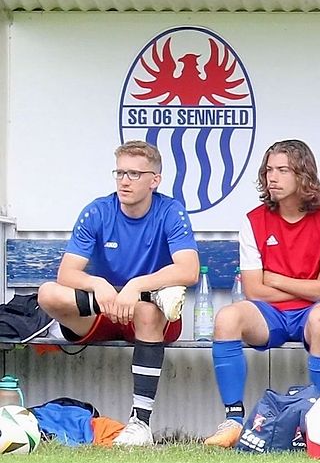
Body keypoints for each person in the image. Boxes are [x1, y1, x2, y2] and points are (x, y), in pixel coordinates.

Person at [37, 140, 199, 446]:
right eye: (120, 172)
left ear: (155, 180)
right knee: (48, 294)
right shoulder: (97, 211)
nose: (125, 180)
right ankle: (113, 303)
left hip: (152, 316)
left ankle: (140, 424)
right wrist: (100, 286)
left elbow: (189, 270)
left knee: (148, 308)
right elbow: (66, 274)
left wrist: (137, 287)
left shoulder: (171, 211)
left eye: (135, 174)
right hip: (105, 309)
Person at [203, 139, 320, 448]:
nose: (273, 177)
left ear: (303, 174)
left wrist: (278, 279)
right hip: (271, 314)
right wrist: (311, 286)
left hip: (314, 313)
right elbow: (254, 289)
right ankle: (233, 419)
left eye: (283, 170)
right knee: (228, 317)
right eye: (269, 170)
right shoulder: (253, 220)